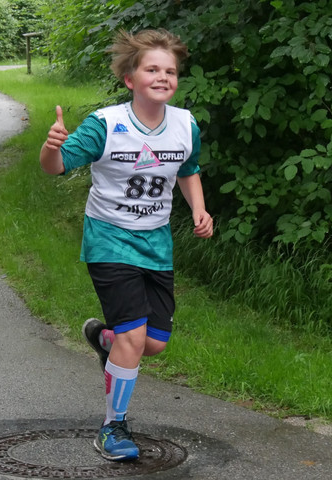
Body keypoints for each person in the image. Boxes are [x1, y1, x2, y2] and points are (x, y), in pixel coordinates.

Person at [39, 28, 213, 462]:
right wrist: (51, 147)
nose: (162, 76)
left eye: (169, 70)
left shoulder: (185, 123)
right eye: (151, 68)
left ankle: (103, 339)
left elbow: (187, 169)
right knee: (134, 338)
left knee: (152, 343)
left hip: (156, 244)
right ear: (129, 79)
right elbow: (55, 168)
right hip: (109, 239)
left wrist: (198, 208)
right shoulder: (106, 124)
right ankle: (112, 428)